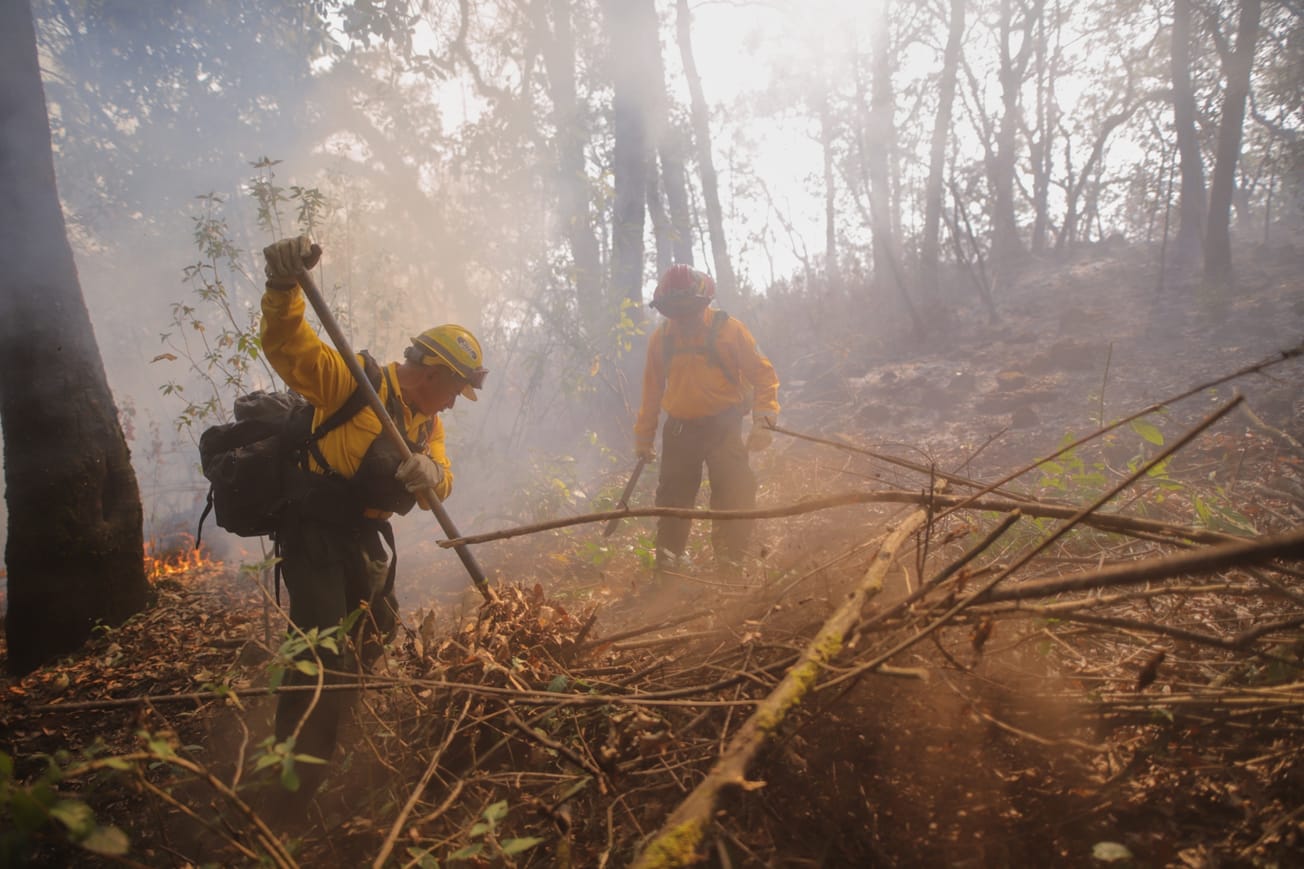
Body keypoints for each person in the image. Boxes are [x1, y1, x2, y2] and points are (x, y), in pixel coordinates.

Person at [259, 235, 487, 801]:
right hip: (314, 529)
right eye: (456, 389)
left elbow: (442, 479)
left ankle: (337, 723)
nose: (454, 403)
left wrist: (432, 474)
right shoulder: (354, 381)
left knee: (377, 628)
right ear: (433, 372)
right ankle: (291, 785)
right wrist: (283, 287)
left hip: (364, 534)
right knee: (319, 650)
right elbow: (290, 348)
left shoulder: (427, 423)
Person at [633, 264, 780, 578]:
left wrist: (764, 420)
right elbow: (651, 392)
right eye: (676, 311)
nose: (683, 318)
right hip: (680, 430)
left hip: (722, 426)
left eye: (688, 309)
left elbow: (763, 375)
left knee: (734, 490)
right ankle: (668, 565)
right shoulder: (661, 340)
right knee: (673, 498)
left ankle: (730, 561)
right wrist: (644, 439)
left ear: (704, 302)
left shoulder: (730, 331)